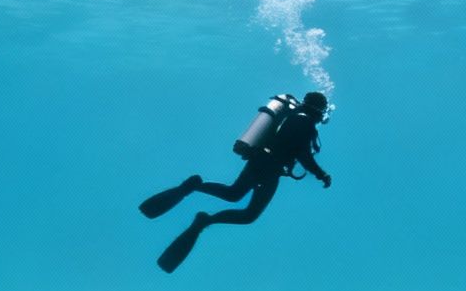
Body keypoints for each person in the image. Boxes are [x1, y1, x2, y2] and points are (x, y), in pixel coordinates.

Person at [141, 91, 333, 272]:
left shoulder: (293, 117)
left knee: (233, 194)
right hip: (270, 169)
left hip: (259, 160)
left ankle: (195, 187)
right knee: (249, 214)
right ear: (319, 108)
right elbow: (303, 154)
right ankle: (205, 219)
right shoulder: (305, 123)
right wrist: (321, 174)